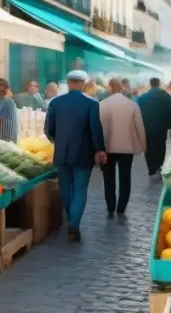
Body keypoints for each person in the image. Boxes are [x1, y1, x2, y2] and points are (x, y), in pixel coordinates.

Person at [44, 69, 106, 242]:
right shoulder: (92, 104)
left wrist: (59, 140)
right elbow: (96, 130)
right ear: (83, 84)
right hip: (83, 154)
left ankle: (71, 218)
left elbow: (48, 130)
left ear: (69, 83)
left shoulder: (56, 103)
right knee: (80, 188)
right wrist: (99, 149)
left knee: (65, 187)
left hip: (62, 153)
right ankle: (74, 225)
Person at [99, 78, 146, 218]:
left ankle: (110, 206)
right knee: (125, 177)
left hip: (107, 147)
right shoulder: (132, 105)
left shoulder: (101, 105)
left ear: (109, 88)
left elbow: (96, 128)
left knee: (108, 178)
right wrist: (144, 146)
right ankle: (121, 207)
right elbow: (140, 127)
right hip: (127, 148)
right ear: (122, 88)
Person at [138, 77, 171, 179]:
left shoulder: (142, 98)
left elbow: (138, 113)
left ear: (150, 84)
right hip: (161, 127)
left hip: (147, 127)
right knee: (160, 146)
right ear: (159, 84)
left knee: (149, 147)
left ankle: (151, 168)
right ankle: (158, 165)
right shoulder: (165, 96)